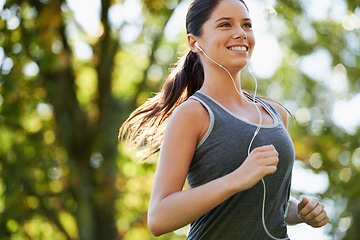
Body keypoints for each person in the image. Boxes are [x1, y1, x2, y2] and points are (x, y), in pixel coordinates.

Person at [119, 0, 329, 239]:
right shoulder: (194, 114)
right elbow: (159, 218)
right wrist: (237, 179)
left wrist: (300, 212)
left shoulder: (274, 113)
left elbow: (269, 206)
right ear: (194, 42)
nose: (240, 33)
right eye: (225, 25)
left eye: (246, 25)